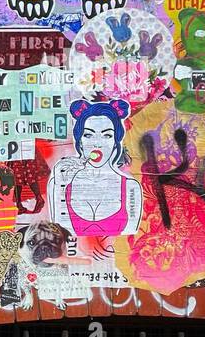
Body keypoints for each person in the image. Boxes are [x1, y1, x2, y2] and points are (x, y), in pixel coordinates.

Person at [50, 100, 143, 238]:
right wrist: (60, 186)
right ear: (80, 141)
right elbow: (59, 234)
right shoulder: (60, 182)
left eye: (107, 135)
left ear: (115, 142)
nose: (97, 143)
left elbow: (130, 236)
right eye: (88, 135)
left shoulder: (130, 187)